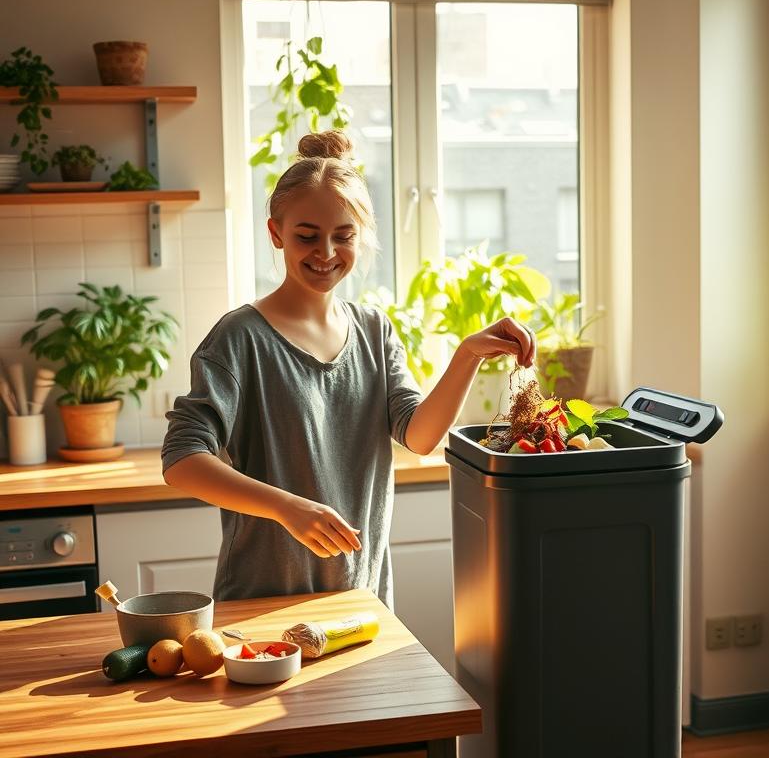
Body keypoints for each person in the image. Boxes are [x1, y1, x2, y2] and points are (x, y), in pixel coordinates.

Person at [161, 130, 535, 608]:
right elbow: (181, 462)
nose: (326, 253)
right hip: (261, 602)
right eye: (306, 236)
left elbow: (420, 437)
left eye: (343, 236)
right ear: (276, 233)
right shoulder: (239, 339)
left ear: (361, 238)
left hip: (361, 600)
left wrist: (466, 356)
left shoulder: (375, 332)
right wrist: (285, 508)